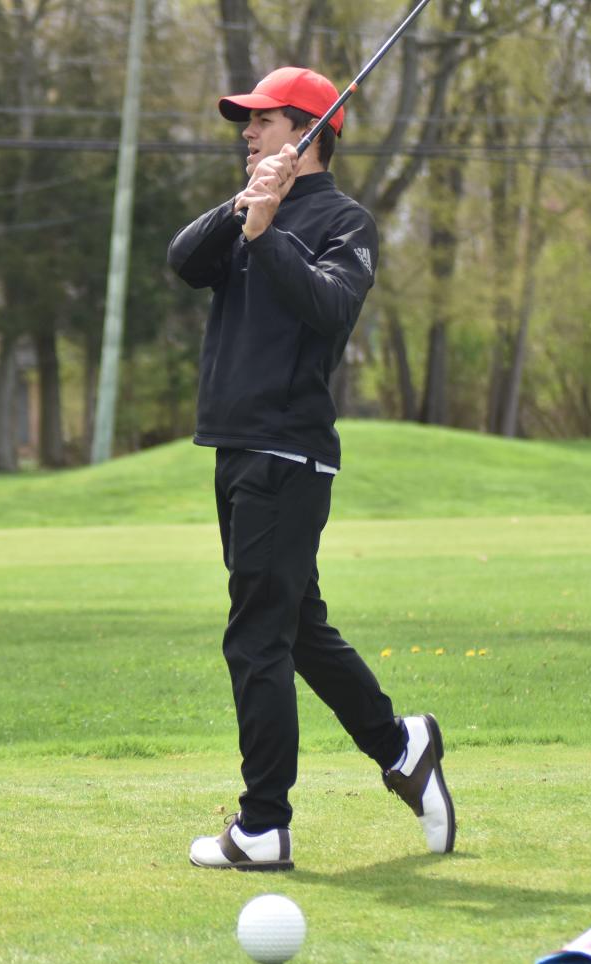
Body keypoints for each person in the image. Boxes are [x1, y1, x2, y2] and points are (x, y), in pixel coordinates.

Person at [167, 66, 455, 870]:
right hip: (235, 447)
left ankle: (262, 827)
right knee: (295, 626)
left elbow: (330, 306)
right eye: (247, 123)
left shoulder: (345, 222)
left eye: (263, 122)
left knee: (256, 635)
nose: (248, 134)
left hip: (287, 453)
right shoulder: (244, 211)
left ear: (309, 132)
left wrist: (270, 232)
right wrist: (241, 212)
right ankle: (402, 747)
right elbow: (183, 262)